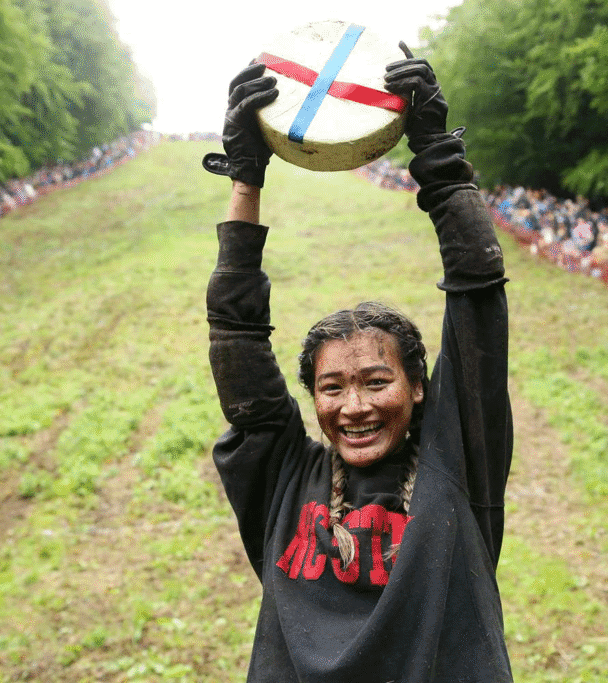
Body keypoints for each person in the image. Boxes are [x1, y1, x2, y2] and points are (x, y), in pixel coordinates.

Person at [202, 44, 513, 682]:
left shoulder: (458, 463)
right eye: (333, 387)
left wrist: (439, 160)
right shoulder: (284, 477)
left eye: (377, 381)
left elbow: (478, 294)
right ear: (311, 399)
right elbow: (236, 335)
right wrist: (245, 179)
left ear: (420, 387)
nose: (356, 406)